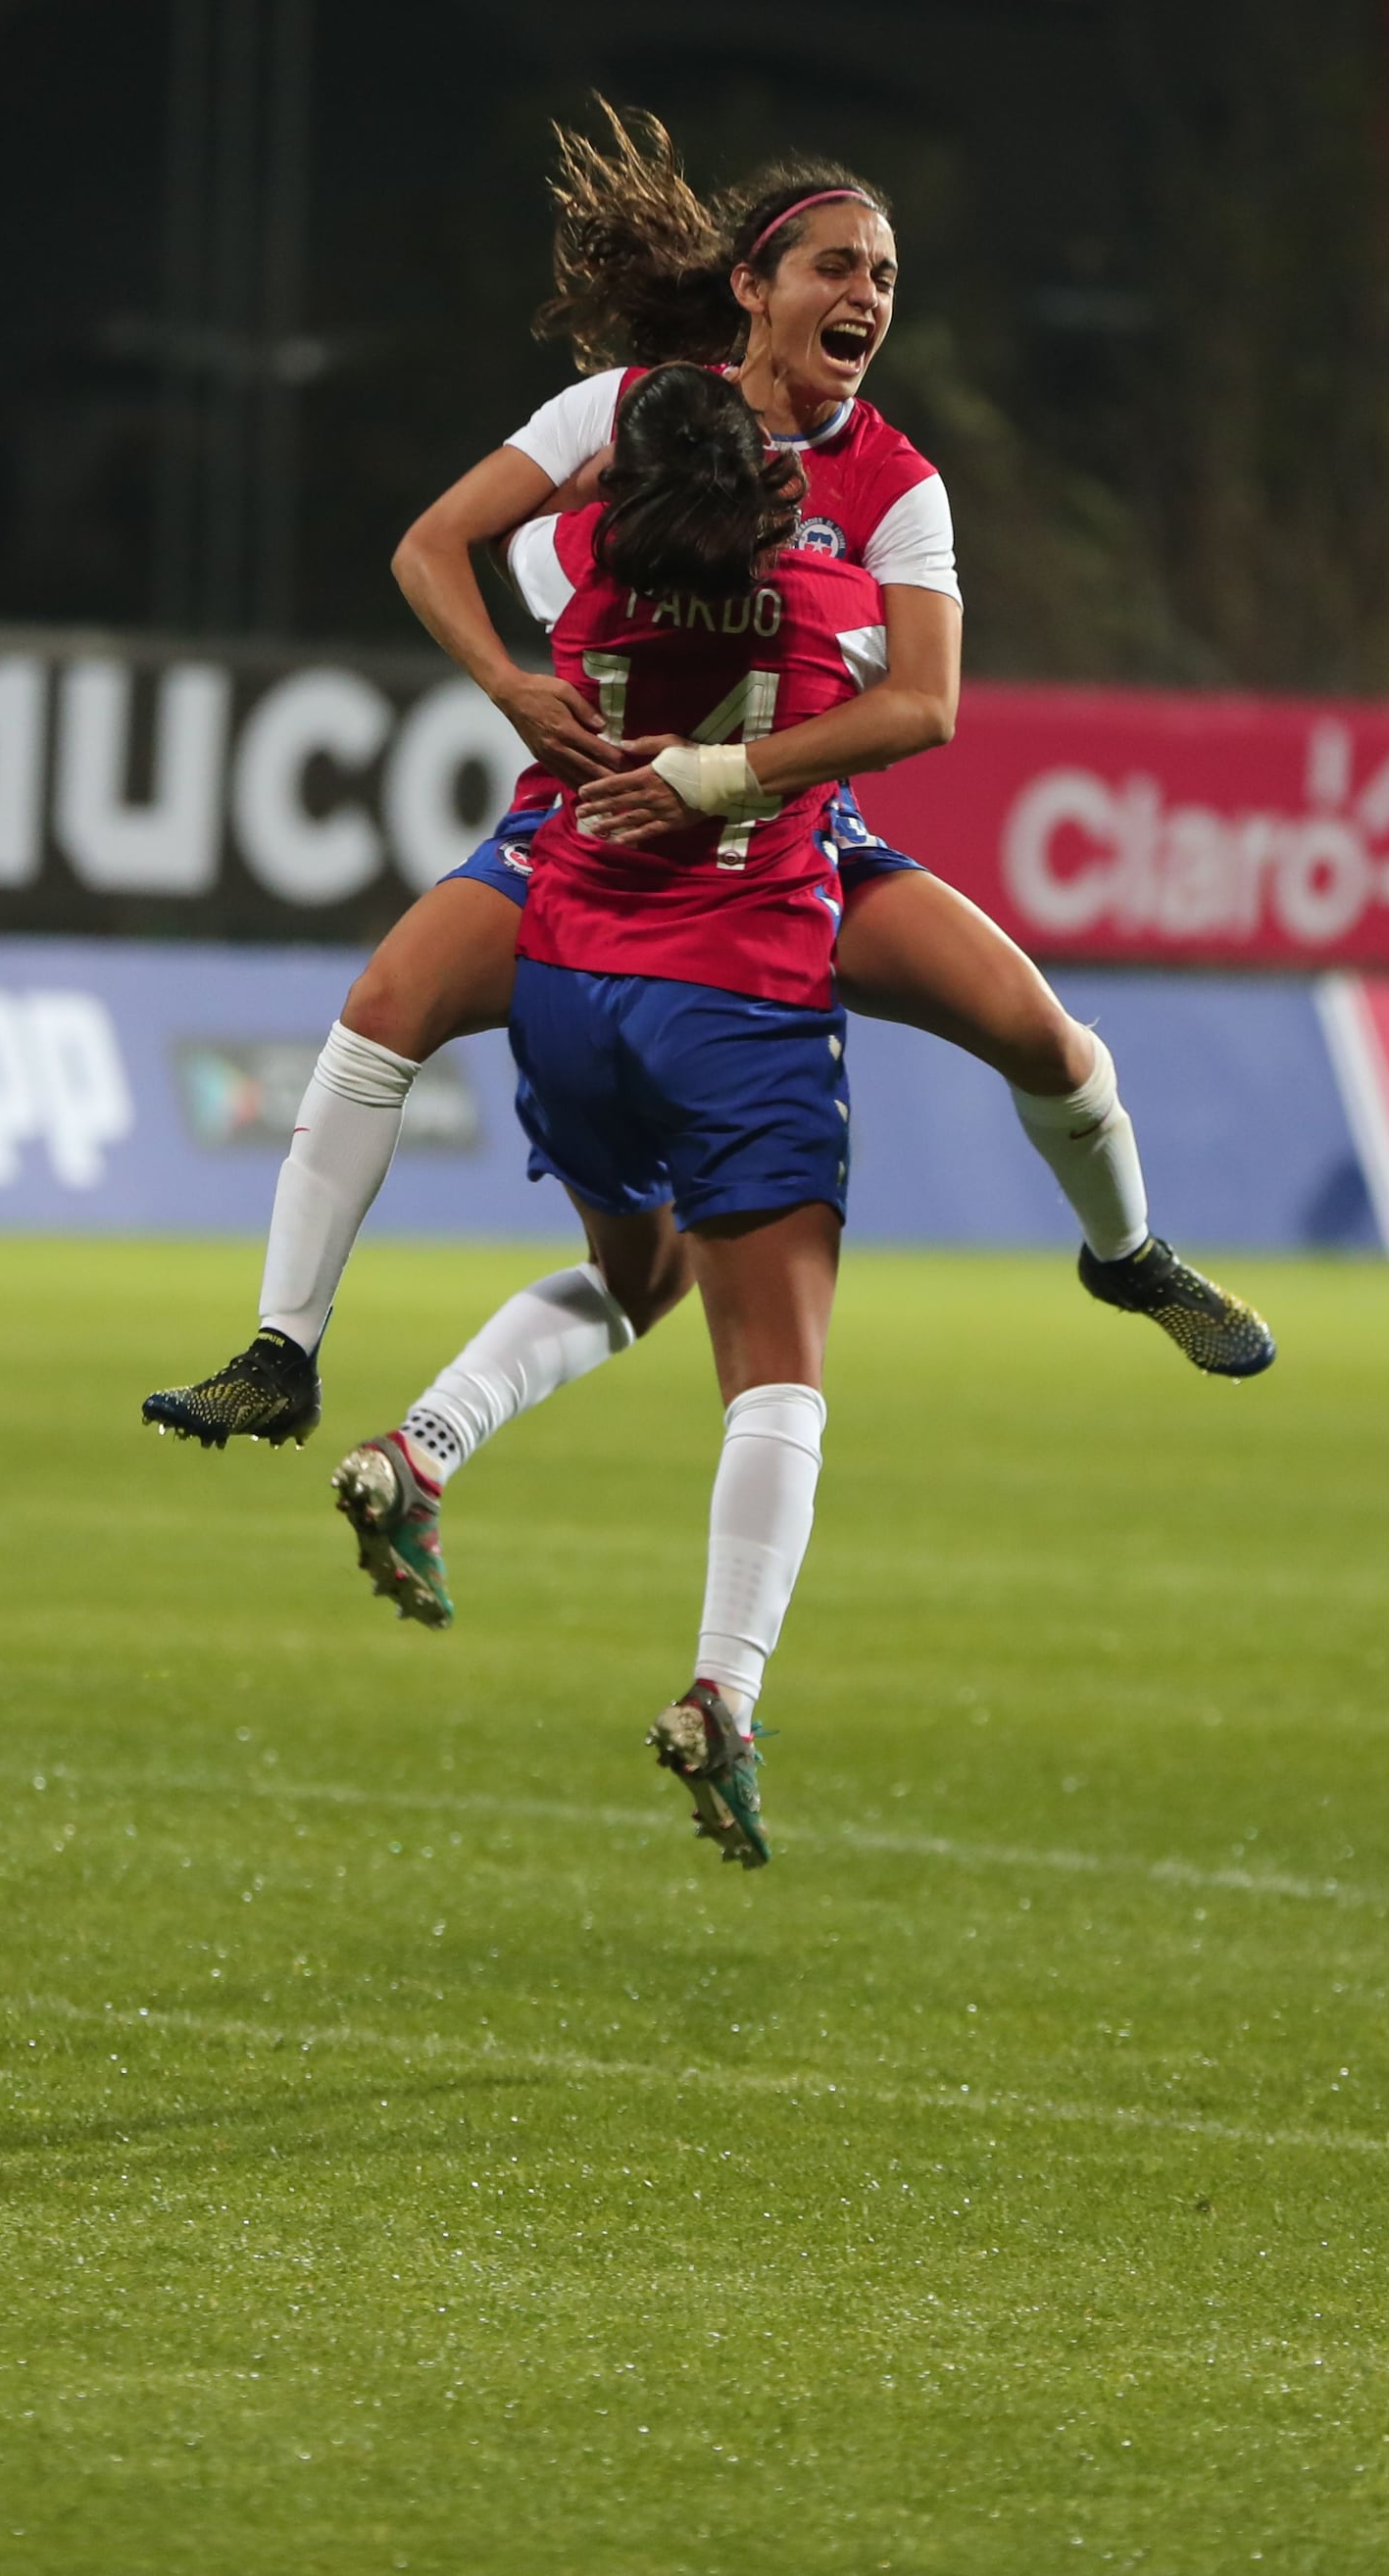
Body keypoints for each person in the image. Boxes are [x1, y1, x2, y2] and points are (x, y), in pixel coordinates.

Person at [143, 108, 1270, 1499]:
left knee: (1050, 1043)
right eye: (837, 266)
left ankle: (1129, 1258)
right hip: (590, 840)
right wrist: (508, 685)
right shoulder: (622, 412)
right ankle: (281, 1349)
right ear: (753, 284)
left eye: (885, 278)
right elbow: (433, 544)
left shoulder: (895, 484)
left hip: (789, 846)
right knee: (385, 1012)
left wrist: (726, 774)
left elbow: (925, 705)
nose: (865, 295)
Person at [483, 364, 907, 1862]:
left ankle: (387, 1408)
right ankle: (724, 1688)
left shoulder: (580, 577)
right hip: (737, 989)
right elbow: (916, 696)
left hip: (566, 980)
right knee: (778, 1379)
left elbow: (522, 539)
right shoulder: (822, 604)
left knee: (626, 1272)